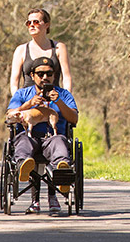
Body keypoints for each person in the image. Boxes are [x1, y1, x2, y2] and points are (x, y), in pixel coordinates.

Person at [6, 56, 78, 215]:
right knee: (23, 142)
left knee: (59, 142)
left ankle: (62, 175)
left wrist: (58, 102)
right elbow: (9, 116)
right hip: (29, 136)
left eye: (49, 73)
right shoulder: (22, 94)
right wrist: (29, 105)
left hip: (52, 139)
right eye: (40, 74)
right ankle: (23, 165)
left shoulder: (63, 94)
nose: (45, 77)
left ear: (54, 75)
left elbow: (74, 119)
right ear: (32, 75)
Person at [8, 8, 72, 96]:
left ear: (47, 25)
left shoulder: (59, 48)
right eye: (28, 23)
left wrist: (65, 100)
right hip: (28, 102)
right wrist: (18, 102)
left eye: (36, 22)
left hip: (54, 100)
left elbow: (67, 78)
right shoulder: (21, 50)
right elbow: (14, 83)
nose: (31, 25)